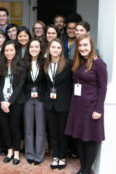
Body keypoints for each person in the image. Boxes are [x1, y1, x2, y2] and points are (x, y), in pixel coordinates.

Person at [65, 35, 107, 174]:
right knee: (79, 138)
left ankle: (87, 170)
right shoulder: (79, 62)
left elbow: (103, 88)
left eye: (85, 45)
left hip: (91, 108)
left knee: (89, 139)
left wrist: (98, 109)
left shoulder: (99, 64)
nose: (82, 48)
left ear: (91, 46)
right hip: (77, 106)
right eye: (80, 46)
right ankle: (83, 168)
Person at [43, 38, 73, 170]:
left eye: (58, 48)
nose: (55, 50)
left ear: (62, 50)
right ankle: (55, 155)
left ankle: (62, 156)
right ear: (49, 49)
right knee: (53, 131)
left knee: (63, 132)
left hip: (64, 103)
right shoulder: (45, 63)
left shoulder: (68, 64)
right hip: (49, 103)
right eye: (53, 47)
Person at [0, 40, 26, 165]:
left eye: (11, 50)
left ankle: (17, 152)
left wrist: (10, 102)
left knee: (15, 127)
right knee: (4, 127)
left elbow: (20, 86)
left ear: (16, 51)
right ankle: (9, 150)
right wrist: (2, 101)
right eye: (6, 50)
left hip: (16, 102)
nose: (9, 53)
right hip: (1, 101)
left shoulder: (22, 65)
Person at [23, 39, 46, 165]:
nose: (34, 49)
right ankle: (29, 154)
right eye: (31, 47)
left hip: (40, 99)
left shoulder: (45, 63)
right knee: (28, 127)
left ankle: (39, 155)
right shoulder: (23, 63)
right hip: (27, 98)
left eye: (36, 46)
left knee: (40, 128)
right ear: (28, 49)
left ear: (40, 49)